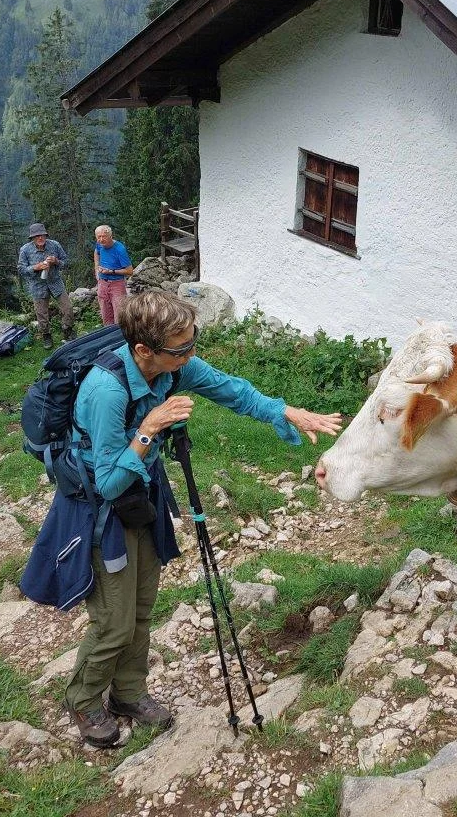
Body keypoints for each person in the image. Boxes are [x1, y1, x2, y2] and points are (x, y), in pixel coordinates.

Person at [59, 290, 342, 747]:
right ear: (144, 352)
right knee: (114, 619)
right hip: (99, 512)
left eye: (193, 343)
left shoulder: (174, 365)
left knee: (142, 609)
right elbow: (108, 482)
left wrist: (284, 411)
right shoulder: (105, 391)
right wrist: (150, 429)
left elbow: (230, 389)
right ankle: (86, 700)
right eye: (182, 349)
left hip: (142, 500)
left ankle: (128, 693)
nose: (191, 356)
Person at [17, 222, 74, 349]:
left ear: (45, 235)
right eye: (37, 236)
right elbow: (21, 269)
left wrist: (56, 261)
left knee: (68, 308)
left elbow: (66, 262)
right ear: (32, 238)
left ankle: (67, 330)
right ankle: (46, 335)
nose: (40, 238)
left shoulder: (54, 245)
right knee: (41, 313)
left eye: (42, 235)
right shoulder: (25, 249)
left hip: (55, 282)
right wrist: (35, 267)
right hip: (37, 285)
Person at [93, 224, 134, 327]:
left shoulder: (119, 249)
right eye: (99, 237)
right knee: (105, 314)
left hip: (117, 284)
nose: (101, 239)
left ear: (111, 236)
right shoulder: (99, 244)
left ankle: (120, 337)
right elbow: (96, 252)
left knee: (119, 316)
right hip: (102, 283)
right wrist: (97, 268)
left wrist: (111, 271)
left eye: (104, 236)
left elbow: (129, 271)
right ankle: (108, 336)